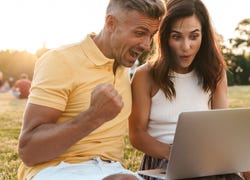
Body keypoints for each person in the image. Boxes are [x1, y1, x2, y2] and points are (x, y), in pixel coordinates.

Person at [17, 0, 165, 180]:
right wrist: (93, 116)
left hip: (114, 170)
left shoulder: (125, 67)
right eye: (140, 33)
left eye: (151, 35)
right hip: (57, 170)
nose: (147, 45)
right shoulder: (60, 60)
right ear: (111, 23)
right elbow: (29, 151)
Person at [129, 0, 243, 179]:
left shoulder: (216, 72)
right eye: (176, 37)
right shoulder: (144, 75)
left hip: (205, 159)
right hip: (162, 161)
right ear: (165, 37)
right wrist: (174, 154)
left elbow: (221, 126)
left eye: (194, 36)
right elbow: (137, 135)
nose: (186, 47)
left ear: (204, 35)